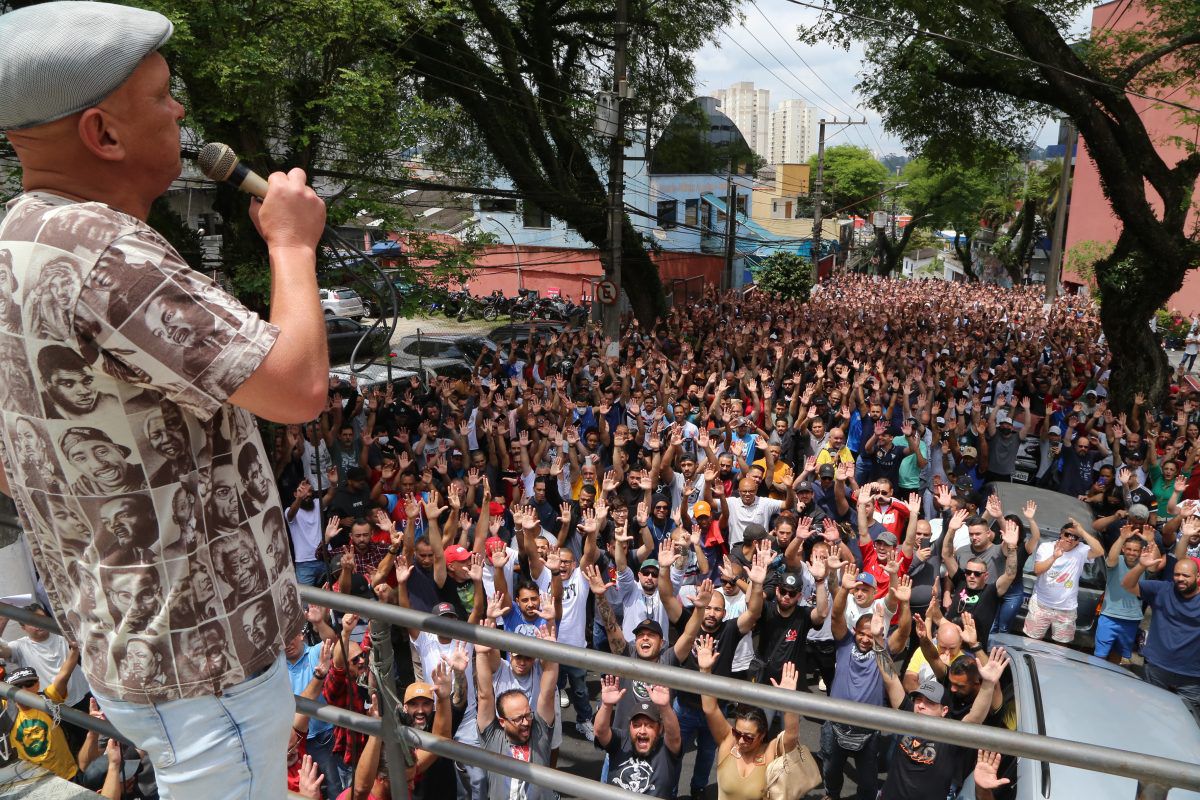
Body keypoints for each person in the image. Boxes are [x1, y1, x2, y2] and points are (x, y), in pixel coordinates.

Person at [0, 2, 328, 796]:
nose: (181, 112)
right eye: (162, 96)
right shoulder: (107, 253)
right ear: (102, 134)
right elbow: (297, 386)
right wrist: (290, 245)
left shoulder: (17, 237)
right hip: (203, 667)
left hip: (128, 643)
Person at [696, 636, 803, 800]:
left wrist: (789, 701)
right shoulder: (728, 741)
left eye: (748, 737)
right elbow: (709, 708)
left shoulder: (768, 753)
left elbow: (791, 736)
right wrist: (705, 671)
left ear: (761, 735)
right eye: (738, 733)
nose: (740, 741)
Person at [475, 625, 560, 800]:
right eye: (518, 718)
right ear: (502, 722)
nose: (527, 722)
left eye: (528, 714)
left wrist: (552, 653)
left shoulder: (539, 733)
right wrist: (482, 654)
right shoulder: (493, 738)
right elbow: (484, 696)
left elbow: (548, 694)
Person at [1121, 539, 1200, 725]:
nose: (1180, 579)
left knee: (1187, 723)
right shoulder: (1162, 589)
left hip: (1192, 675)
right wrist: (1141, 565)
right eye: (1177, 574)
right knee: (1148, 715)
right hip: (1157, 667)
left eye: (1186, 575)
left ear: (1198, 577)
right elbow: (1127, 585)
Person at [594, 675, 682, 798]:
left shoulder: (665, 749)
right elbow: (600, 732)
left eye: (649, 725)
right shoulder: (621, 740)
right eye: (636, 725)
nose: (642, 730)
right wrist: (606, 705)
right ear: (629, 726)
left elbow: (674, 736)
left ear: (660, 728)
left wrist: (665, 707)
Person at [2, 650, 81, 781]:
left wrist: (74, 649)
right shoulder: (5, 708)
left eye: (29, 684)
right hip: (33, 781)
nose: (24, 690)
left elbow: (64, 674)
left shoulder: (49, 700)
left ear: (37, 684)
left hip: (67, 776)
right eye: (17, 687)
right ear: (7, 691)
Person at [1023, 519, 1104, 644]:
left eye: (1075, 537)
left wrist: (1082, 531)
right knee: (1031, 642)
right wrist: (1054, 557)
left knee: (1061, 647)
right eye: (1067, 534)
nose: (1070, 539)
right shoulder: (1046, 547)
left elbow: (1100, 551)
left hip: (1066, 608)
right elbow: (1038, 570)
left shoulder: (1082, 550)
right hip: (1041, 604)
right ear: (1061, 533)